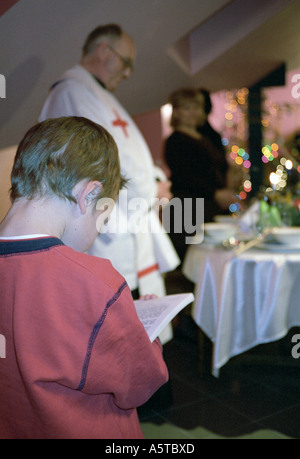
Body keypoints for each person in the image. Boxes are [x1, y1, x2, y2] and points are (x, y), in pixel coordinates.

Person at [0, 116, 169, 439]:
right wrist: (148, 333)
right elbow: (141, 382)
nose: (98, 230)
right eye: (103, 217)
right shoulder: (96, 282)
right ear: (89, 195)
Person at [39, 24, 179, 301]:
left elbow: (126, 152)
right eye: (126, 63)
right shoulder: (72, 93)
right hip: (102, 230)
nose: (127, 73)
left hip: (124, 218)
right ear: (103, 50)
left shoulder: (95, 93)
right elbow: (104, 160)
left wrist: (154, 180)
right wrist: (152, 190)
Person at [164, 88, 238, 261]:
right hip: (187, 208)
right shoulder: (175, 140)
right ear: (177, 112)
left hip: (208, 206)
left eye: (196, 107)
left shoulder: (204, 138)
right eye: (187, 108)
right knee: (194, 259)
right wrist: (216, 193)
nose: (193, 112)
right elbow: (184, 176)